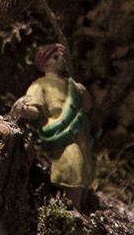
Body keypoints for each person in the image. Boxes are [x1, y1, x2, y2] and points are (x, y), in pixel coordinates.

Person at [11, 43, 96, 211]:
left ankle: (79, 207)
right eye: (55, 57)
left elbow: (86, 108)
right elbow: (36, 111)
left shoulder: (71, 85)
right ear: (44, 63)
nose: (61, 60)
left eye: (62, 57)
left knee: (86, 167)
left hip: (78, 133)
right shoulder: (39, 85)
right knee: (74, 162)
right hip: (58, 134)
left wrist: (84, 94)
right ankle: (73, 210)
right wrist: (24, 109)